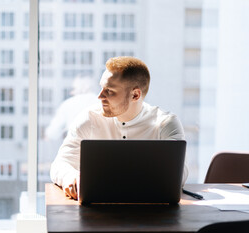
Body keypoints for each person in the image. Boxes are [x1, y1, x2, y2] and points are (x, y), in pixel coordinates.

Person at [50, 56, 188, 200]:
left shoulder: (166, 123)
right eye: (101, 88)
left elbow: (179, 175)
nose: (100, 96)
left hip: (153, 213)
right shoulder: (89, 118)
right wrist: (69, 177)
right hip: (98, 213)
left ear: (135, 95)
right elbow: (59, 164)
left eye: (109, 91)